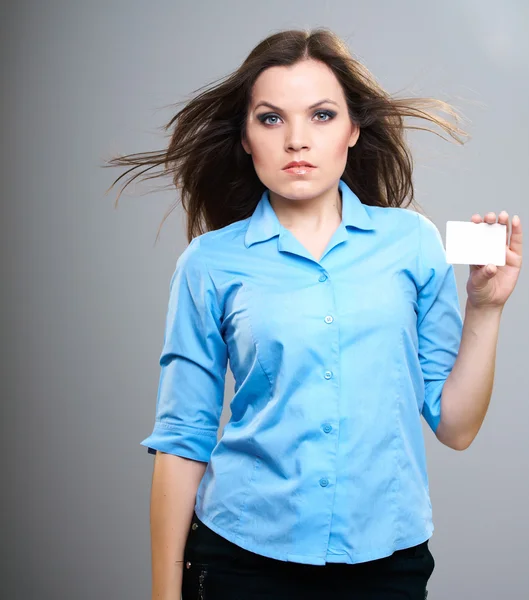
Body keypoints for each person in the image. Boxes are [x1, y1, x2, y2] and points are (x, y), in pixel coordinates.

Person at [106, 27, 523, 600]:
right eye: (271, 118)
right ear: (247, 138)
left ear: (353, 129)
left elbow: (456, 428)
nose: (296, 139)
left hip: (388, 563)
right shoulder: (209, 263)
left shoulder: (413, 242)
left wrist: (485, 309)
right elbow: (183, 438)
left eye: (322, 115)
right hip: (242, 560)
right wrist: (163, 594)